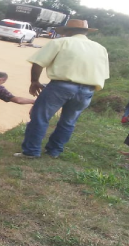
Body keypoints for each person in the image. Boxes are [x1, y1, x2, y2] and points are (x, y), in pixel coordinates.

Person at [17, 19, 109, 158]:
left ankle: (31, 151)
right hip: (87, 90)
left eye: (65, 32)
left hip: (61, 86)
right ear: (85, 32)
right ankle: (54, 151)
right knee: (68, 122)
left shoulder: (59, 43)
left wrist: (34, 81)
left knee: (40, 117)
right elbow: (104, 73)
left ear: (69, 31)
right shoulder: (100, 48)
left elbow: (38, 62)